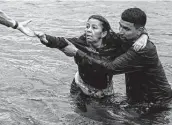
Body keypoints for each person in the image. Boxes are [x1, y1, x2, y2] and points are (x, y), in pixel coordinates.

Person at [76, 8, 172, 111]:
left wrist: (77, 53)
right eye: (120, 26)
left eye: (126, 29)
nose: (120, 32)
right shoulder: (125, 38)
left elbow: (110, 68)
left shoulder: (143, 49)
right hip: (136, 102)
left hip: (158, 104)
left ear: (139, 31)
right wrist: (144, 34)